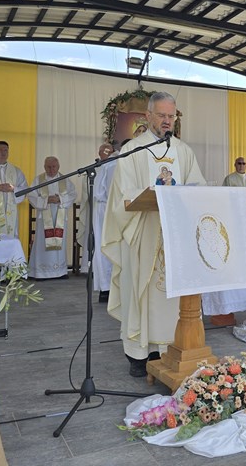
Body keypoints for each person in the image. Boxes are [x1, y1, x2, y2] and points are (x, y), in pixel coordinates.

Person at [102, 91, 206, 378]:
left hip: (175, 235)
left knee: (171, 294)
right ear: (148, 116)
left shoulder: (183, 151)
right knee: (143, 292)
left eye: (171, 116)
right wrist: (151, 193)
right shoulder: (132, 150)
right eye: (161, 115)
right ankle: (139, 353)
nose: (167, 121)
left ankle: (171, 346)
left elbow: (197, 187)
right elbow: (123, 195)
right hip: (142, 232)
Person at [27, 156, 77, 279]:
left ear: (58, 166)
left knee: (60, 242)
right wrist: (46, 200)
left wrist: (60, 199)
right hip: (44, 218)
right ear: (44, 167)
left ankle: (59, 271)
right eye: (48, 167)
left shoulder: (65, 180)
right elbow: (31, 195)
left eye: (54, 166)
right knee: (42, 243)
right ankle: (40, 272)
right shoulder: (38, 180)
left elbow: (73, 194)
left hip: (60, 216)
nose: (51, 169)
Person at [86, 142, 118, 302]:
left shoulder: (113, 163)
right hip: (103, 209)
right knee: (102, 248)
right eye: (101, 151)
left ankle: (109, 288)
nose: (103, 153)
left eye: (106, 151)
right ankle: (105, 286)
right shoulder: (106, 164)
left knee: (107, 247)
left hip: (108, 208)